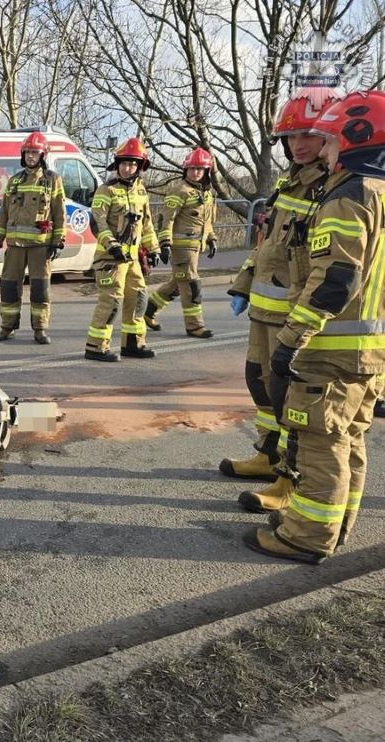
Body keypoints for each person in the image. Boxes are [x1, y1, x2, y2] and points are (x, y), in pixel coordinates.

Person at [245, 89, 385, 564]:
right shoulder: (380, 193)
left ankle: (305, 536)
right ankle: (336, 525)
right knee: (350, 438)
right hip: (370, 349)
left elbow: (333, 283)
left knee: (321, 443)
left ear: (352, 138)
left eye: (326, 140)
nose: (321, 149)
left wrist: (290, 340)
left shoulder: (349, 196)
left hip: (333, 347)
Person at [220, 88, 337, 516]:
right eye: (290, 137)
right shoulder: (291, 182)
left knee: (292, 401)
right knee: (260, 383)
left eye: (309, 134)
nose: (298, 144)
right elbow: (268, 243)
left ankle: (289, 480)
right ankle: (269, 455)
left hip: (296, 317)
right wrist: (242, 282)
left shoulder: (330, 191)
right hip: (264, 310)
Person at [84, 137, 160, 361]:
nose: (129, 168)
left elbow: (146, 223)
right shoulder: (105, 191)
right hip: (110, 259)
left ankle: (132, 344)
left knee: (138, 298)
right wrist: (112, 245)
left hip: (133, 258)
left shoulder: (141, 191)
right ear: (117, 165)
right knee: (111, 302)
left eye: (133, 164)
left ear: (139, 167)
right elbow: (98, 222)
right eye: (125, 163)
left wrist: (153, 248)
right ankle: (95, 347)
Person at [0, 131, 66, 344]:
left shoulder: (52, 181)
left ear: (43, 155)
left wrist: (58, 241)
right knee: (9, 287)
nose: (31, 156)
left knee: (40, 289)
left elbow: (59, 213)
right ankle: (7, 327)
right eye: (28, 152)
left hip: (41, 246)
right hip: (15, 246)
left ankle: (40, 329)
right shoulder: (14, 181)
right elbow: (3, 212)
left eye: (35, 152)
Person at [145, 147, 217, 338]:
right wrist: (165, 244)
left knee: (178, 284)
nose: (195, 173)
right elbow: (167, 219)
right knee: (191, 285)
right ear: (186, 170)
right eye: (192, 169)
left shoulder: (207, 193)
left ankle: (148, 312)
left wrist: (211, 239)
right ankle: (195, 326)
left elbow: (206, 220)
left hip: (195, 248)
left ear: (206, 172)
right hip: (181, 249)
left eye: (200, 169)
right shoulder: (179, 191)